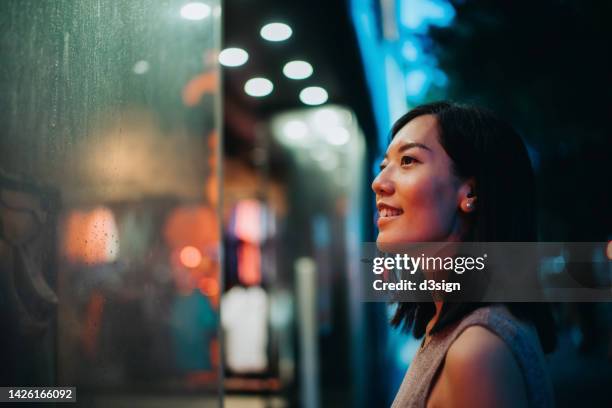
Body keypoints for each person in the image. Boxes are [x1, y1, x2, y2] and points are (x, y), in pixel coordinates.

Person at [371, 101, 556, 407]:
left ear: (469, 192)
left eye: (407, 160)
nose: (379, 182)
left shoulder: (477, 349)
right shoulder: (455, 328)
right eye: (383, 165)